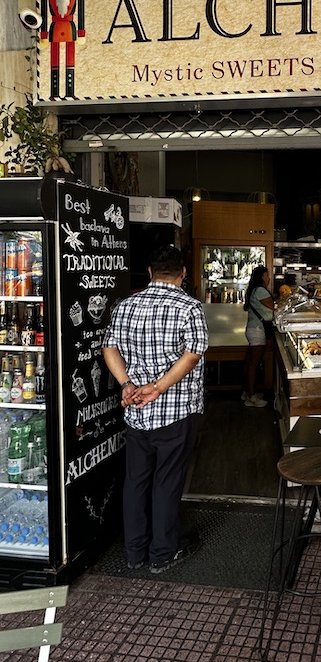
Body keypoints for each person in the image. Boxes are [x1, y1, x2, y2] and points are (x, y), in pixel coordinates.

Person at [102, 245, 209, 574]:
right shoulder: (189, 307)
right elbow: (193, 353)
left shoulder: (126, 306)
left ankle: (134, 553)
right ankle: (162, 554)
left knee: (135, 481)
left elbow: (109, 347)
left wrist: (126, 384)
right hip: (175, 411)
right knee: (167, 481)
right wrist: (159, 387)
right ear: (183, 274)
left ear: (150, 272)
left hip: (136, 411)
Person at [242, 265, 274, 407]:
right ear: (261, 277)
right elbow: (274, 306)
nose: (269, 278)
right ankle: (251, 397)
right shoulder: (260, 291)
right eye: (267, 275)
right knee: (254, 364)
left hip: (253, 329)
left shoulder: (254, 290)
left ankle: (247, 391)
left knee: (250, 362)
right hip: (257, 330)